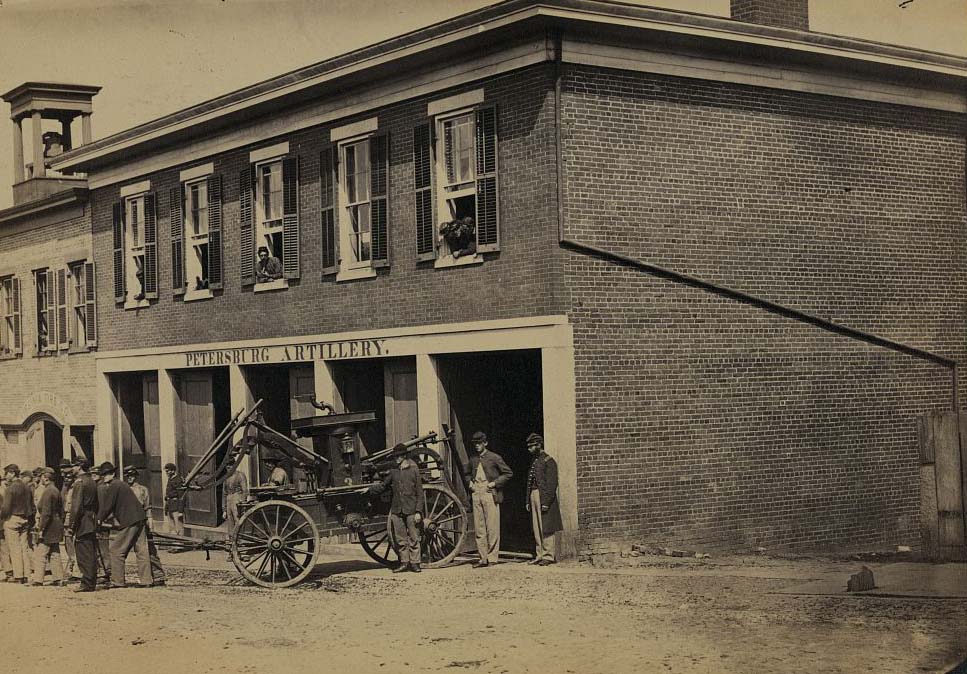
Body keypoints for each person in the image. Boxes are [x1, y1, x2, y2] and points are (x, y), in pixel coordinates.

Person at [96, 462, 153, 588]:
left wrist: (99, 519)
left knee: (115, 550)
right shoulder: (121, 485)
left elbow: (108, 506)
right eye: (102, 475)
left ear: (112, 474)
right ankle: (146, 581)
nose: (103, 477)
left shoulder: (114, 485)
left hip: (129, 520)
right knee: (141, 550)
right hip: (139, 518)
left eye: (106, 474)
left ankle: (117, 581)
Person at [369, 445, 425, 573]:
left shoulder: (413, 470)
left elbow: (420, 492)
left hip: (411, 509)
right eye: (395, 457)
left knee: (414, 537)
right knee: (401, 538)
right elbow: (383, 486)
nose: (396, 459)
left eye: (398, 456)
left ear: (404, 456)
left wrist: (418, 511)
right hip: (396, 510)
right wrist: (369, 490)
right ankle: (404, 563)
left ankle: (415, 563)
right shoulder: (394, 471)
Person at [463, 431, 513, 568]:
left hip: (489, 493)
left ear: (485, 443)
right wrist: (469, 483)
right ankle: (482, 558)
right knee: (479, 528)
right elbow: (466, 473)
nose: (477, 446)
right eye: (475, 444)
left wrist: (494, 483)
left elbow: (508, 473)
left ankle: (492, 558)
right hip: (476, 492)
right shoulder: (473, 459)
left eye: (479, 443)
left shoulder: (494, 457)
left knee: (492, 527)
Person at [124, 466, 166, 586]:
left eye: (131, 476)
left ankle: (158, 576)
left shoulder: (143, 490)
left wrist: (150, 520)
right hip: (128, 522)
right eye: (127, 476)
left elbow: (147, 507)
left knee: (149, 549)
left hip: (141, 521)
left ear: (136, 476)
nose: (129, 478)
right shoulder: (124, 489)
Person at [524, 433, 562, 566]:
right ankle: (539, 554)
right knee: (537, 526)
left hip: (544, 497)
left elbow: (552, 484)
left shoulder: (549, 461)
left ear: (539, 445)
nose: (529, 450)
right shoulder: (535, 461)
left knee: (546, 526)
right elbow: (530, 481)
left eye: (531, 447)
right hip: (534, 495)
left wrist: (546, 502)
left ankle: (549, 555)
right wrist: (528, 500)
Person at [68, 459, 99, 592]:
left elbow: (76, 507)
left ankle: (87, 582)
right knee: (90, 551)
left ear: (79, 467)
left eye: (74, 465)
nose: (72, 468)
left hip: (82, 521)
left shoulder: (79, 483)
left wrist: (71, 525)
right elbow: (97, 503)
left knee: (83, 552)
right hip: (91, 518)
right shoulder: (91, 481)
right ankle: (91, 581)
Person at [32, 468, 66, 586]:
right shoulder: (56, 490)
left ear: (46, 478)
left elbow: (46, 513)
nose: (41, 479)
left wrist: (41, 529)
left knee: (41, 553)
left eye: (42, 476)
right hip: (56, 524)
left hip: (49, 525)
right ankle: (58, 578)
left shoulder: (47, 492)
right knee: (55, 552)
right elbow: (62, 510)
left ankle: (38, 579)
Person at [0, 464, 33, 583]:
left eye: (7, 473)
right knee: (24, 547)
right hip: (25, 519)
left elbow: (5, 507)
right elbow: (31, 505)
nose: (6, 476)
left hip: (12, 518)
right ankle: (27, 574)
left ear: (13, 473)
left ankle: (18, 575)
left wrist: (3, 517)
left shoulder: (11, 488)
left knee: (14, 548)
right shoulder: (26, 487)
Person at [91, 469, 112, 584]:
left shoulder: (101, 488)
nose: (93, 476)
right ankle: (105, 571)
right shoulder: (99, 487)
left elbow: (103, 507)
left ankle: (107, 572)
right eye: (92, 474)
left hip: (101, 522)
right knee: (100, 547)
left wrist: (99, 520)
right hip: (100, 520)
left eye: (95, 474)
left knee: (103, 548)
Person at [60, 463, 79, 580]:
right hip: (65, 518)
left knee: (76, 543)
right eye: (65, 477)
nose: (67, 479)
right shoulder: (64, 488)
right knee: (68, 544)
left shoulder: (76, 487)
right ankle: (72, 565)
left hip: (74, 518)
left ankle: (77, 570)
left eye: (69, 477)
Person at [222, 469, 249, 533]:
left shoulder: (240, 475)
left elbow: (245, 490)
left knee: (237, 518)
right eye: (227, 465)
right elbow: (224, 493)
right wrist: (224, 509)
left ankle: (238, 537)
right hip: (229, 498)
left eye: (231, 465)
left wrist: (243, 502)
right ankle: (231, 538)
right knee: (229, 518)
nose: (229, 467)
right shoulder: (226, 477)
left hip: (237, 497)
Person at [163, 463, 186, 536]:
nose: (166, 473)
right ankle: (174, 542)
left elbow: (182, 496)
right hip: (170, 505)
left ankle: (181, 543)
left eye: (168, 471)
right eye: (166, 471)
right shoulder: (170, 479)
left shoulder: (178, 480)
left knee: (178, 526)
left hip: (176, 506)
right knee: (172, 527)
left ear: (173, 471)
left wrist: (180, 511)